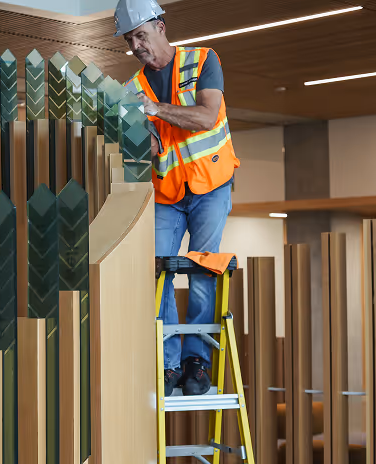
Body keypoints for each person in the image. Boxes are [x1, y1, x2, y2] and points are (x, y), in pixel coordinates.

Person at [115, 0, 240, 396]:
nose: (136, 45)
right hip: (168, 191)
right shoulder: (132, 89)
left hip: (211, 184)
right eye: (130, 39)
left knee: (202, 268)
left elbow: (206, 117)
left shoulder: (203, 60)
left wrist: (154, 109)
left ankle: (196, 363)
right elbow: (150, 148)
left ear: (161, 27)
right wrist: (120, 125)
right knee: (156, 270)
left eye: (140, 35)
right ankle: (169, 364)